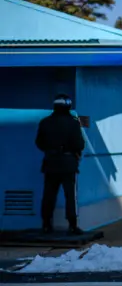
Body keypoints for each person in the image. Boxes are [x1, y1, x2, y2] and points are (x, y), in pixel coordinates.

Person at [35, 94, 86, 235]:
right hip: (68, 163)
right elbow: (79, 144)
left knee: (49, 195)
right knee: (70, 195)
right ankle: (72, 225)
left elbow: (39, 142)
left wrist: (51, 150)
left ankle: (46, 224)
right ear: (68, 105)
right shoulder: (73, 122)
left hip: (50, 162)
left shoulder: (45, 122)